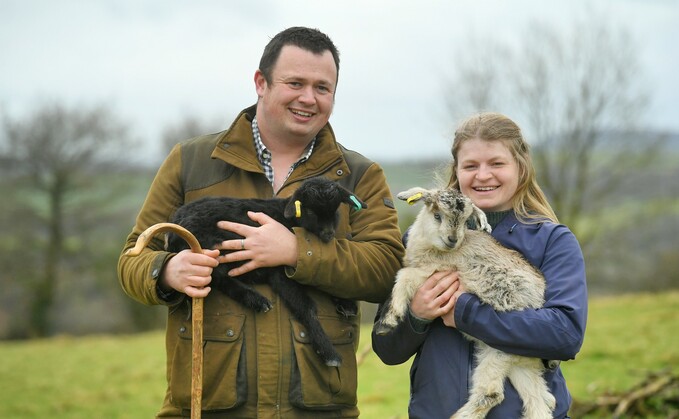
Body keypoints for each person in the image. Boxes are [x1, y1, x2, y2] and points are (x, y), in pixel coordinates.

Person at [118, 26, 405, 418]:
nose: (309, 98)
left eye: (323, 88)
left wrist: (296, 250)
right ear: (261, 82)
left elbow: (386, 270)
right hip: (209, 404)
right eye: (295, 83)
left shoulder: (358, 175)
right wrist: (167, 270)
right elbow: (133, 258)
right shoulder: (191, 161)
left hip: (318, 408)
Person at [372, 112, 587, 418]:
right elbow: (387, 349)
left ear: (521, 168)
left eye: (496, 164)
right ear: (456, 171)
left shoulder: (552, 240)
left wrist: (466, 312)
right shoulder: (421, 241)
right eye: (471, 166)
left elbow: (565, 336)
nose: (483, 175)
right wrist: (417, 315)